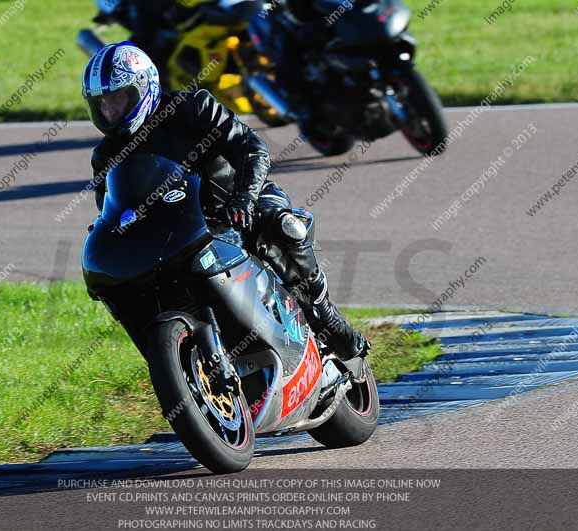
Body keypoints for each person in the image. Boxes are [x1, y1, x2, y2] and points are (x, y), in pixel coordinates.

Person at [82, 41, 370, 362]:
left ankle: (321, 310)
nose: (110, 112)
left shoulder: (192, 107)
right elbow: (112, 210)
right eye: (102, 104)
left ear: (143, 86)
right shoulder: (106, 156)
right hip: (180, 231)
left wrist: (243, 198)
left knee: (284, 227)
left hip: (240, 200)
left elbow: (252, 146)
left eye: (118, 99)